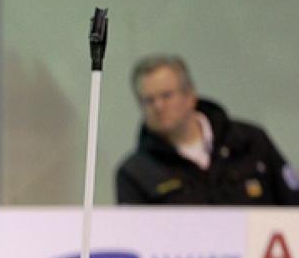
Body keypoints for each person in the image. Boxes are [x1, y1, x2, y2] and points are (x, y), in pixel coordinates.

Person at [116, 55, 299, 205]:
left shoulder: (248, 142)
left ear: (190, 95)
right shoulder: (136, 172)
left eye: (167, 96)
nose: (158, 106)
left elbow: (292, 204)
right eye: (148, 100)